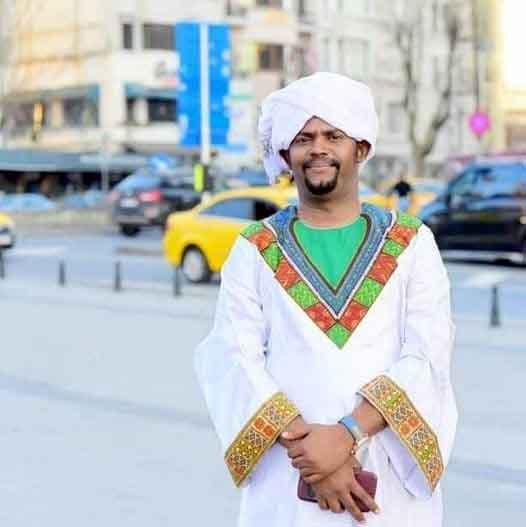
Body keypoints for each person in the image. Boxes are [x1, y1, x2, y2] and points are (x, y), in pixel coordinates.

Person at [195, 72, 457, 527]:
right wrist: (314, 453)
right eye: (303, 138)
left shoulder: (411, 242)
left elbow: (428, 353)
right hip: (289, 477)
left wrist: (347, 435)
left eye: (333, 136)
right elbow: (233, 356)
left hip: (387, 481)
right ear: (285, 155)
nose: (318, 148)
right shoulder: (255, 247)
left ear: (361, 149)